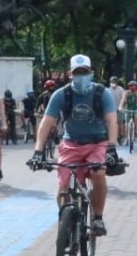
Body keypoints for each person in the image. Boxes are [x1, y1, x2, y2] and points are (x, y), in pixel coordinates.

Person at [30, 54, 118, 236]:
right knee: (63, 187)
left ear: (91, 73)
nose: (81, 76)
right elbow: (46, 123)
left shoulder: (102, 93)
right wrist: (38, 151)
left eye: (84, 72)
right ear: (70, 74)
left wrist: (111, 148)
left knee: (98, 172)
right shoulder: (61, 95)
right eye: (77, 72)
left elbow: (112, 121)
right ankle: (66, 221)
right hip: (71, 144)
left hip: (97, 143)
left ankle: (98, 218)